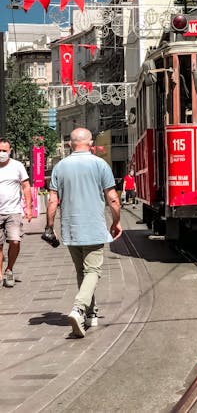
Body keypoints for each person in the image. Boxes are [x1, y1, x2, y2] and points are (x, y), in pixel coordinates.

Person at [46, 128, 122, 338]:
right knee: (93, 271)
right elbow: (113, 198)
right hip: (94, 227)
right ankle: (79, 309)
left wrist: (49, 226)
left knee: (82, 271)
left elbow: (52, 201)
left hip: (70, 229)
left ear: (71, 144)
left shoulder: (59, 167)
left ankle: (91, 313)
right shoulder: (100, 165)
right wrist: (116, 221)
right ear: (91, 144)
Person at [0, 138, 32, 288]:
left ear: (10, 151)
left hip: (13, 211)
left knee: (15, 241)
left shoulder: (17, 166)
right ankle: (0, 274)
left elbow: (26, 186)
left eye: (4, 151)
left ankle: (9, 269)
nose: (1, 153)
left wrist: (29, 208)